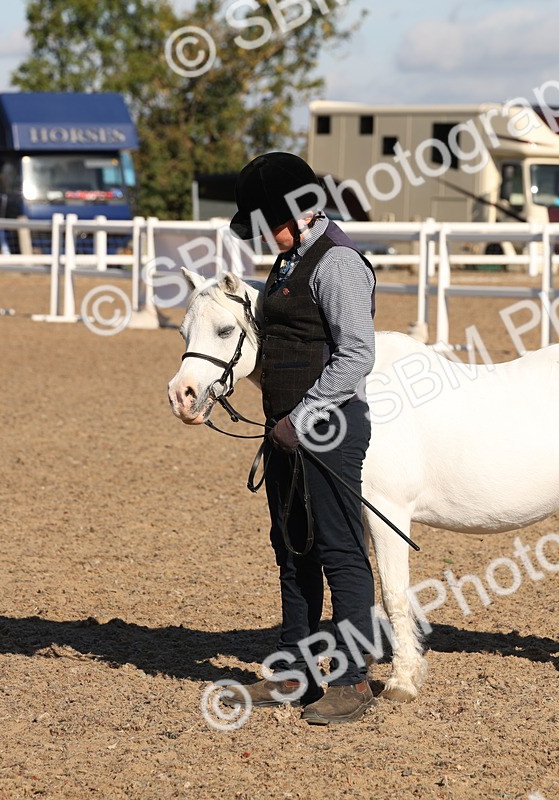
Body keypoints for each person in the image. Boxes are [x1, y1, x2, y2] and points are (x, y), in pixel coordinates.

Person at [226, 152, 378, 725]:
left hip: (330, 429)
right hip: (285, 431)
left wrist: (304, 415)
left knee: (339, 552)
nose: (266, 237)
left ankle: (354, 678)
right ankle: (294, 672)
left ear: (299, 212)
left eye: (270, 224)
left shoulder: (337, 263)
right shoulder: (288, 262)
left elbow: (357, 354)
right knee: (292, 551)